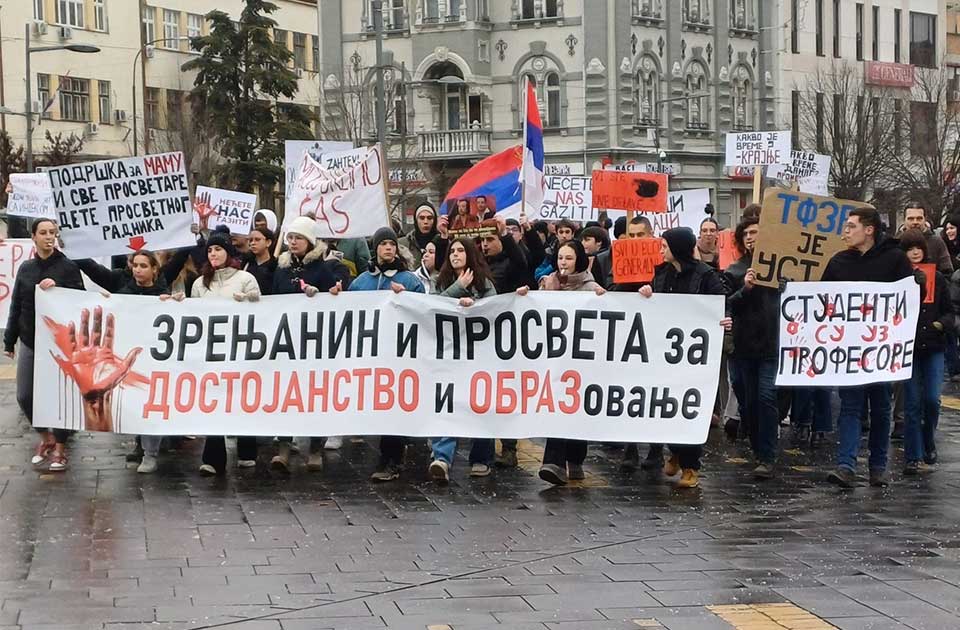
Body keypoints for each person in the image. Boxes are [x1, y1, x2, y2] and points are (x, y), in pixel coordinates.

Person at [821, 207, 916, 488]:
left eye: (851, 226)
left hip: (882, 349)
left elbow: (908, 301)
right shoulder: (838, 262)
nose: (846, 231)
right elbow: (822, 299)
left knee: (881, 407)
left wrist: (918, 286)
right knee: (850, 406)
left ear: (869, 229)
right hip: (850, 349)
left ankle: (877, 466)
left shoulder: (895, 259)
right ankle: (846, 466)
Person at [638, 227, 729, 489]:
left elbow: (721, 302)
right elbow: (656, 304)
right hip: (666, 354)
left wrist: (724, 318)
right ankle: (676, 451)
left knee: (689, 408)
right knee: (667, 407)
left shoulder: (705, 275)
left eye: (665, 246)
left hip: (694, 356)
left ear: (677, 248)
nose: (661, 250)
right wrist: (647, 295)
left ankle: (690, 466)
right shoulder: (661, 273)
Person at [331, 226, 425, 481]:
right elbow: (348, 313)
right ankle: (392, 454)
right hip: (371, 354)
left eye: (392, 244)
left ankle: (391, 459)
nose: (388, 248)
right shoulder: (361, 282)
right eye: (383, 244)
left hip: (399, 354)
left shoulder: (410, 281)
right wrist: (336, 297)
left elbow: (424, 311)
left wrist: (407, 298)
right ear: (376, 248)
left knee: (394, 404)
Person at [4, 218, 85, 472]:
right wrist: (9, 339)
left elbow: (81, 301)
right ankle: (45, 437)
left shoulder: (68, 267)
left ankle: (60, 448)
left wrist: (58, 289)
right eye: (44, 232)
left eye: (52, 232)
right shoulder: (26, 268)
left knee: (58, 396)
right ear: (34, 237)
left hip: (59, 344)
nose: (49, 237)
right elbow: (17, 304)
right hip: (30, 339)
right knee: (24, 395)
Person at [523, 240, 606, 486]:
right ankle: (553, 463)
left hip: (582, 363)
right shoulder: (548, 284)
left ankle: (575, 459)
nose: (563, 263)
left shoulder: (591, 288)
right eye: (560, 258)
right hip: (555, 361)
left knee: (576, 410)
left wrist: (604, 299)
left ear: (579, 260)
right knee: (556, 409)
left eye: (569, 258)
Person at [190, 227, 262, 475]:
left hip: (240, 349)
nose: (213, 253)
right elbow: (194, 315)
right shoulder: (200, 283)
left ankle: (247, 450)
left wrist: (250, 300)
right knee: (214, 400)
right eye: (210, 250)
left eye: (218, 249)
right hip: (212, 351)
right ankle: (213, 457)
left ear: (228, 252)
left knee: (241, 398)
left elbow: (260, 309)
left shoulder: (245, 278)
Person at [270, 216, 339, 471]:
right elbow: (272, 299)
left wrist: (324, 295)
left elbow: (335, 301)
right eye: (290, 237)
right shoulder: (282, 269)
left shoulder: (322, 269)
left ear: (309, 241)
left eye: (298, 237)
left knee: (314, 395)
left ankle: (315, 449)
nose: (293, 242)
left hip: (314, 344)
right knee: (286, 395)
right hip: (287, 342)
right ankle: (284, 447)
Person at [428, 237, 498, 482]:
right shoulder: (440, 282)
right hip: (449, 353)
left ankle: (481, 458)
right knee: (447, 402)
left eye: (460, 250)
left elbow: (494, 309)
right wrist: (457, 288)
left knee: (479, 403)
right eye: (452, 251)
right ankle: (442, 457)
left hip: (478, 354)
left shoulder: (484, 283)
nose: (455, 255)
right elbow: (431, 306)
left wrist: (474, 305)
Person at [724, 216, 781, 479]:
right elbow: (726, 304)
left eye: (755, 232)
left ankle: (766, 456)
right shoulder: (735, 271)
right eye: (745, 233)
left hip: (772, 344)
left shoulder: (781, 269)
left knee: (766, 397)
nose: (749, 237)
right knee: (748, 400)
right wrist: (745, 289)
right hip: (744, 346)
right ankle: (759, 447)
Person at [900, 229, 953, 474]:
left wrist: (939, 325)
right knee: (911, 403)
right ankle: (913, 456)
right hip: (908, 349)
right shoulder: (897, 279)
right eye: (909, 249)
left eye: (918, 248)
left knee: (932, 400)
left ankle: (928, 440)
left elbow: (949, 312)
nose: (915, 253)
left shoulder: (938, 278)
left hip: (933, 347)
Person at [899, 202, 953, 274]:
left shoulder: (937, 242)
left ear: (925, 219)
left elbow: (948, 272)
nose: (915, 222)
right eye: (911, 219)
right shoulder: (896, 242)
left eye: (919, 218)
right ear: (904, 220)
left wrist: (936, 277)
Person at [400, 204, 439, 269]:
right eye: (422, 218)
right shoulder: (402, 244)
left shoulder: (442, 243)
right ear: (416, 220)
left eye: (429, 218)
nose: (425, 222)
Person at [243, 227, 277, 296]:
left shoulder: (277, 266)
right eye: (251, 240)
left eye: (257, 240)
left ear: (268, 242)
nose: (253, 243)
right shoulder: (245, 264)